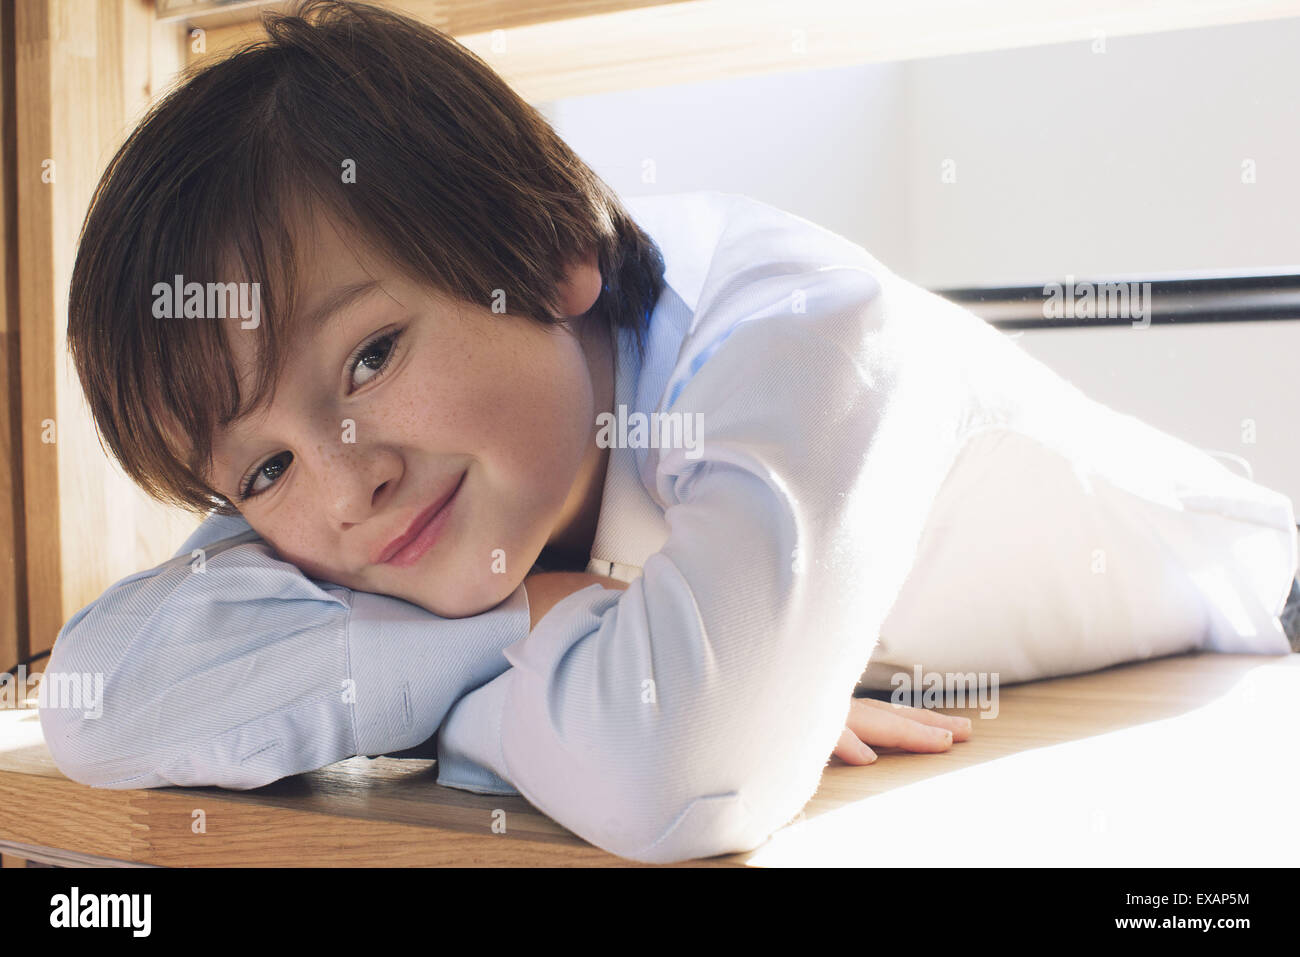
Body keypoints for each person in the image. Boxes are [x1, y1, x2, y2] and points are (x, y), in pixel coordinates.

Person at [38, 0, 1298, 864]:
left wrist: (455, 688)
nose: (347, 485)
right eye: (262, 468)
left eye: (372, 355)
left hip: (1256, 612)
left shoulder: (805, 332)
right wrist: (541, 625)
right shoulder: (383, 488)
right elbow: (99, 702)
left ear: (545, 254)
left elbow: (677, 771)